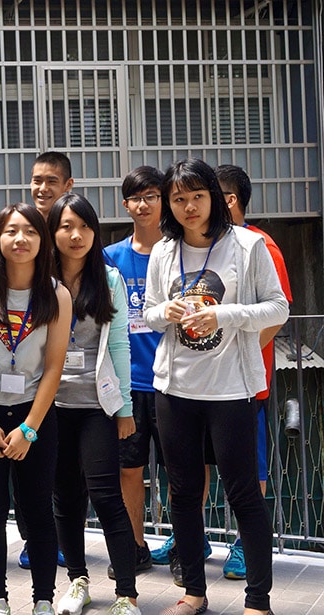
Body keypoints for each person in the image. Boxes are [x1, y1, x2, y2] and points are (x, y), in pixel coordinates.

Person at [143, 158, 288, 615]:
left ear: (214, 197)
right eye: (178, 198)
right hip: (175, 390)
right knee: (183, 494)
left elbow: (278, 308)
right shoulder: (164, 250)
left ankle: (258, 602)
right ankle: (193, 594)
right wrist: (164, 312)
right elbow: (148, 313)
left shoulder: (247, 245)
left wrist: (225, 314)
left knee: (243, 494)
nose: (189, 206)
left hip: (232, 390)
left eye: (197, 196)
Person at [0, 202, 72, 615]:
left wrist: (29, 428)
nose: (20, 239)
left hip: (34, 415)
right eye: (11, 231)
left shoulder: (56, 294)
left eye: (29, 230)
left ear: (42, 240)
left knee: (38, 510)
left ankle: (43, 599)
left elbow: (54, 366)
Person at [48, 194, 140, 615]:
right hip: (50, 405)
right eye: (67, 226)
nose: (76, 235)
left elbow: (119, 344)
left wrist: (125, 409)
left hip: (97, 404)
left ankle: (126, 594)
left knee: (105, 496)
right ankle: (78, 581)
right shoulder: (41, 280)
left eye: (84, 226)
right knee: (65, 498)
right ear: (52, 232)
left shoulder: (108, 279)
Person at [214, 164, 293, 580]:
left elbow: (277, 313)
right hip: (205, 383)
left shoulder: (261, 245)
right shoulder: (206, 244)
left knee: (249, 468)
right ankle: (190, 538)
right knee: (202, 464)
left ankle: (246, 545)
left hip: (246, 383)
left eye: (205, 195)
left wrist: (237, 352)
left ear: (229, 200)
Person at [102, 166, 165, 580]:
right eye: (135, 198)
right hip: (129, 383)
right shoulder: (111, 257)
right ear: (125, 205)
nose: (143, 205)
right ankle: (135, 546)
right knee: (128, 469)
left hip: (174, 381)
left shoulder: (178, 252)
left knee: (185, 471)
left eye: (151, 196)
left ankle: (185, 546)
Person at [18, 150, 75, 571]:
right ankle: (33, 539)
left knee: (67, 469)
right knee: (30, 468)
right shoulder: (23, 230)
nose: (42, 188)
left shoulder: (72, 232)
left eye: (51, 181)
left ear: (67, 186)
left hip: (74, 378)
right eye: (37, 180)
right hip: (25, 374)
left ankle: (66, 540)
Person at [30, 151, 74, 220]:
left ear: (68, 185)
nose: (43, 189)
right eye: (37, 181)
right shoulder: (23, 224)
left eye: (51, 182)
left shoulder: (75, 223)